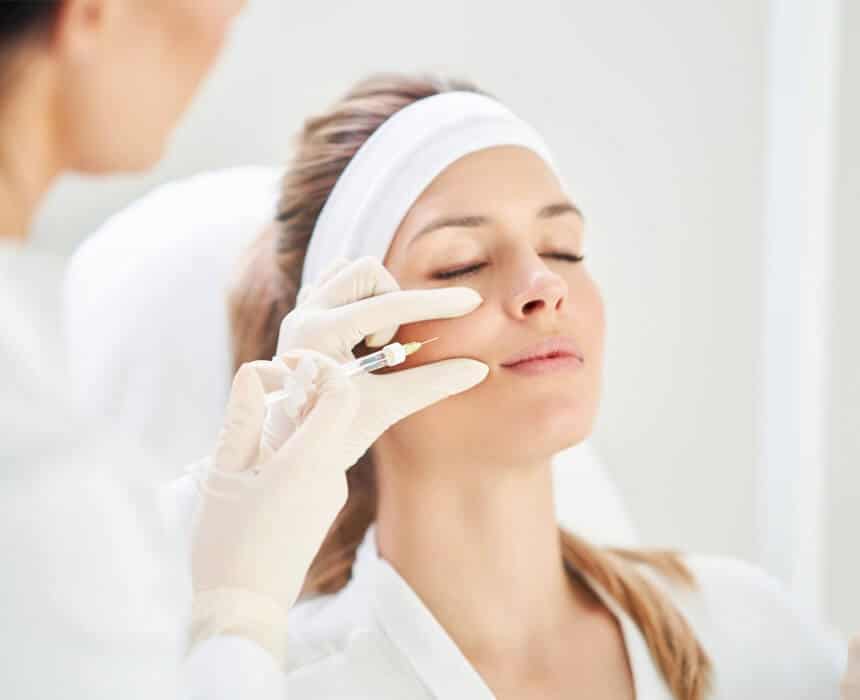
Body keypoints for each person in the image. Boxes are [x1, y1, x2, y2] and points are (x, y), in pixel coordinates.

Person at [223, 74, 847, 699]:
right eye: (461, 262)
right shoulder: (285, 681)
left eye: (564, 249)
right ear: (354, 343)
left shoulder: (749, 632)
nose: (545, 285)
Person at [0, 4, 488, 698]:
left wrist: (224, 507)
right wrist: (240, 611)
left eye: (566, 249)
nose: (228, 31)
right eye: (462, 263)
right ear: (89, 13)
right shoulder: (28, 441)